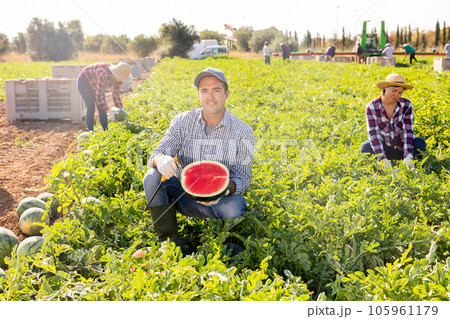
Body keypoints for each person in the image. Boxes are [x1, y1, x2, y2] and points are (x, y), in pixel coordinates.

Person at [143, 67, 255, 248]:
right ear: (198, 95)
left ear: (227, 94)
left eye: (216, 90)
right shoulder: (182, 121)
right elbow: (156, 155)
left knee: (234, 205)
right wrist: (161, 160)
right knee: (151, 177)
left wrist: (224, 189)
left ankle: (228, 245)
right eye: (205, 91)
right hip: (183, 196)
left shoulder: (243, 132)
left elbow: (243, 178)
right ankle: (169, 241)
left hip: (219, 201)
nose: (210, 96)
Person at [360, 74, 426, 168]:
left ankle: (413, 165)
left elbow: (408, 131)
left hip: (401, 147)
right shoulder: (372, 106)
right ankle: (380, 165)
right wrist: (382, 158)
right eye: (394, 91)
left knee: (420, 143)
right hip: (384, 147)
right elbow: (374, 134)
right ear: (385, 88)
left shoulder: (406, 105)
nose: (396, 95)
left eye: (400, 92)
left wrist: (408, 156)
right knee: (365, 147)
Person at [77, 62, 132, 131]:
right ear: (115, 73)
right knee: (91, 107)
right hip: (84, 81)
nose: (122, 80)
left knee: (102, 108)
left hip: (97, 82)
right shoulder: (103, 74)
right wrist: (110, 111)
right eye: (121, 77)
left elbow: (116, 94)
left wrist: (120, 108)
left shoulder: (119, 80)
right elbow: (99, 98)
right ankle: (90, 131)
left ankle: (106, 130)